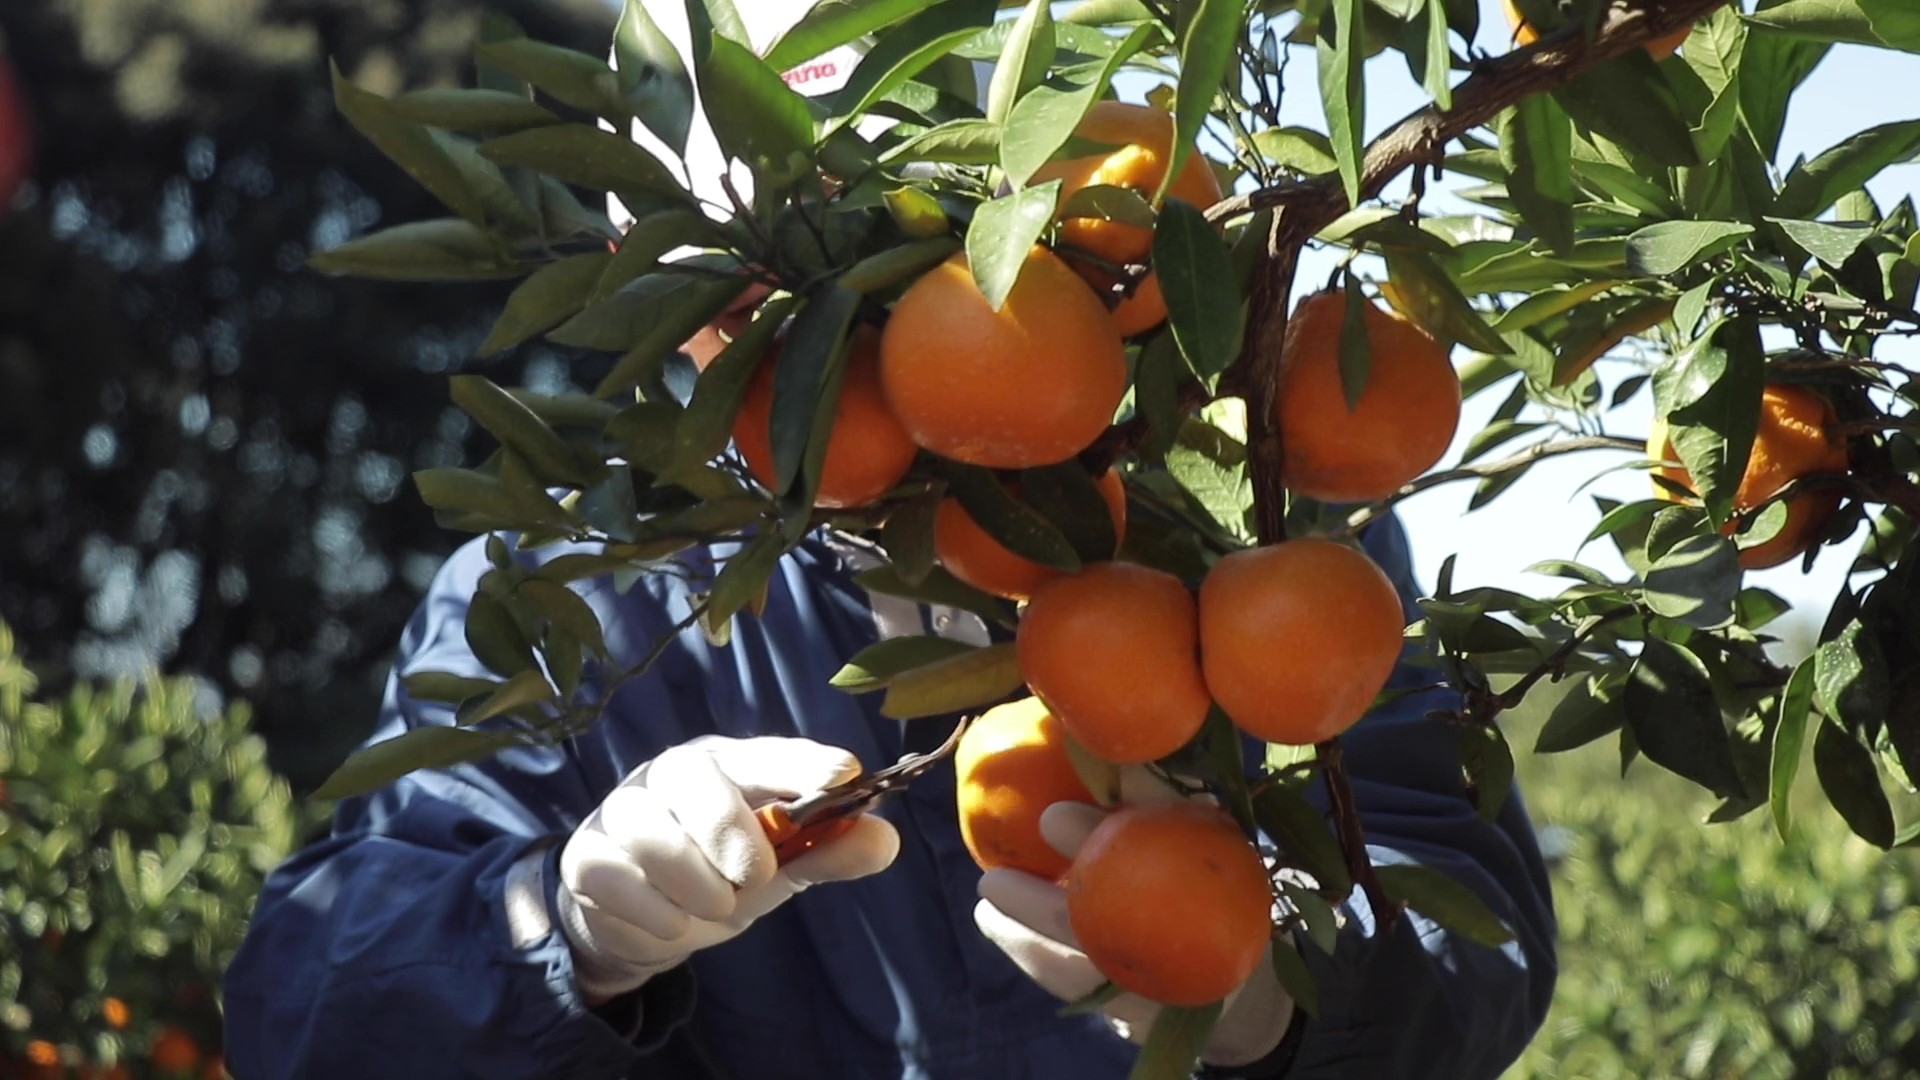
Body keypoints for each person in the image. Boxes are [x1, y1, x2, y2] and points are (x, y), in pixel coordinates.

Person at [222, 5, 1557, 1077]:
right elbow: (309, 1006)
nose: (810, 363)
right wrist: (557, 927)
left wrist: (1283, 992)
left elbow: (1465, 909)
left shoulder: (1253, 522)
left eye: (855, 299)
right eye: (745, 316)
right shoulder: (581, 597)